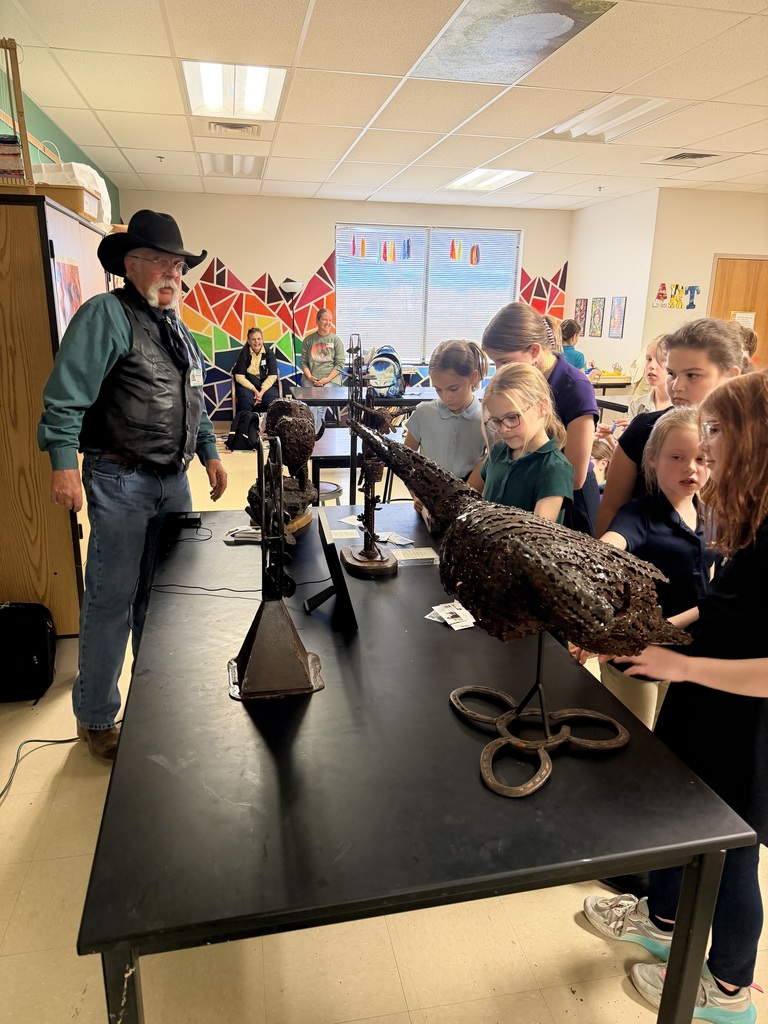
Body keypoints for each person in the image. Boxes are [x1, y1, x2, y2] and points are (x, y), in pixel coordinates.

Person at [582, 370, 768, 1023]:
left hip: (744, 724)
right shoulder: (745, 511)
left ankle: (727, 990)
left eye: (715, 429)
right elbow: (720, 611)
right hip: (706, 702)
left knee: (731, 852)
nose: (704, 443)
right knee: (679, 815)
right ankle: (663, 922)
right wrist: (659, 635)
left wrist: (681, 669)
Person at [37, 210, 228, 764]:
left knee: (165, 600)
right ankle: (96, 717)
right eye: (162, 262)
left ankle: (154, 704)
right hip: (119, 478)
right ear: (130, 264)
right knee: (111, 600)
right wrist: (62, 463)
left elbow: (194, 395)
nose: (174, 273)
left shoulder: (176, 326)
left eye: (178, 263)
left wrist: (210, 452)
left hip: (173, 481)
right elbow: (66, 396)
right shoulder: (105, 315)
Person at [596, 408, 716, 728]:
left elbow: (714, 587)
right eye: (676, 457)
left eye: (701, 459)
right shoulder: (639, 515)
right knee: (636, 740)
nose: (690, 468)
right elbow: (610, 546)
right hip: (638, 661)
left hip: (691, 656)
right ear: (652, 459)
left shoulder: (714, 515)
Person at [596, 318, 750, 537]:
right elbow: (610, 508)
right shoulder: (644, 428)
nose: (677, 386)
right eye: (672, 374)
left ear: (731, 376)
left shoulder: (749, 441)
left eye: (692, 375)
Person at [482, 302, 598, 534]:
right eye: (495, 363)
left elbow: (575, 476)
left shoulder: (575, 387)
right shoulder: (512, 386)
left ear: (534, 351)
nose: (499, 370)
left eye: (504, 361)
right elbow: (497, 453)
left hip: (568, 508)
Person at [467, 362, 573, 524]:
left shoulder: (555, 468)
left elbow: (537, 536)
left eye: (512, 417)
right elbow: (466, 496)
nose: (504, 429)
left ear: (542, 406)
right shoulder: (498, 451)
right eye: (496, 421)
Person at [404, 339, 487, 481]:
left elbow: (491, 462)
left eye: (453, 389)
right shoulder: (423, 413)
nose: (446, 397)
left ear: (473, 377)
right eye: (438, 389)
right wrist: (415, 491)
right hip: (428, 493)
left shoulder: (487, 419)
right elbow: (405, 459)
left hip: (469, 495)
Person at [300, 308, 345, 429]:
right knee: (312, 404)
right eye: (325, 319)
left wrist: (326, 380)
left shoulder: (336, 340)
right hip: (310, 379)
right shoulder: (309, 340)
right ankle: (314, 435)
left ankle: (314, 435)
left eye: (330, 320)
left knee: (320, 404)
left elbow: (339, 364)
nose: (328, 323)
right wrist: (309, 377)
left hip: (331, 380)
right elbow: (303, 362)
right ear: (317, 321)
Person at [232, 327, 280, 414]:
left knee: (270, 400)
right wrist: (255, 390)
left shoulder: (269, 353)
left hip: (266, 384)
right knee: (246, 400)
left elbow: (272, 376)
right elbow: (239, 376)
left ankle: (267, 426)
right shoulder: (244, 354)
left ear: (262, 340)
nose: (257, 342)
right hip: (247, 384)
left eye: (259, 339)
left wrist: (261, 392)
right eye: (253, 339)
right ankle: (246, 426)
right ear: (249, 341)